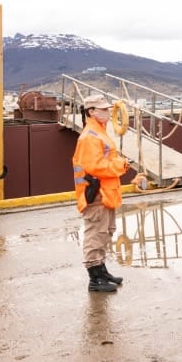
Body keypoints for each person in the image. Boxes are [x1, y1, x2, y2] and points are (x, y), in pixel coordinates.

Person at [72, 94, 130, 293]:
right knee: (95, 234)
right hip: (95, 193)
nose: (107, 112)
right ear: (91, 112)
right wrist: (121, 164)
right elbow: (96, 166)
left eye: (107, 109)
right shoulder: (90, 136)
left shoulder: (99, 132)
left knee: (105, 232)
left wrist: (116, 164)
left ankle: (101, 270)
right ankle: (94, 278)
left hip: (105, 192)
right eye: (103, 109)